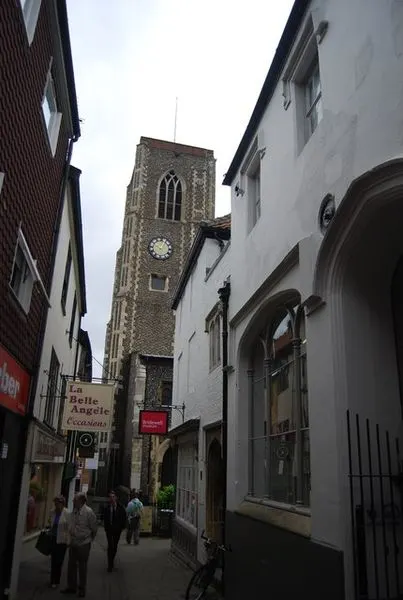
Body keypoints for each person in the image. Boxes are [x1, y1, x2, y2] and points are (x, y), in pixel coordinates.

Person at [61, 493, 97, 598]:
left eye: (75, 500)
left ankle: (82, 589)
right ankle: (71, 587)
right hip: (73, 542)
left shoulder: (89, 512)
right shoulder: (74, 511)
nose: (73, 501)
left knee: (82, 567)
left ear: (81, 501)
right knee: (71, 565)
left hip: (84, 543)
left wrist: (90, 539)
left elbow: (94, 528)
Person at [103, 490, 127, 572]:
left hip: (117, 530)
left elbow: (124, 517)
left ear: (116, 498)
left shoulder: (120, 507)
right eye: (110, 497)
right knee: (110, 546)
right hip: (109, 529)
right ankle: (110, 564)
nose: (112, 498)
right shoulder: (106, 508)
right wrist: (106, 527)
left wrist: (122, 527)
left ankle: (112, 560)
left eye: (113, 497)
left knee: (115, 546)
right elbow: (105, 518)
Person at [49, 495, 69, 589]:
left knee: (59, 561)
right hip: (53, 539)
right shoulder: (52, 512)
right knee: (53, 560)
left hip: (62, 541)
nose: (56, 504)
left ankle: (57, 580)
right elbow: (50, 524)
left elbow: (70, 528)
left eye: (58, 503)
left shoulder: (67, 513)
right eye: (55, 502)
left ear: (62, 504)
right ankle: (52, 580)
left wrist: (68, 541)